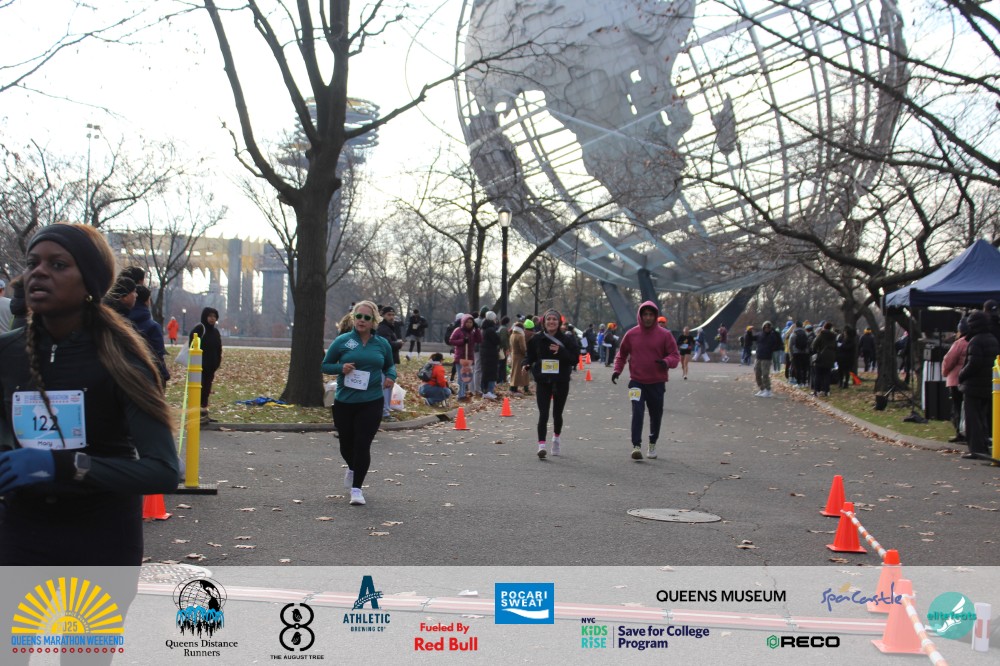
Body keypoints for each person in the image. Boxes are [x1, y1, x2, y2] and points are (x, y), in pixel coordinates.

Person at [0, 223, 180, 565]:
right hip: (21, 537)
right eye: (33, 263)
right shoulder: (6, 354)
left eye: (58, 264)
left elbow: (163, 471)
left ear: (90, 282)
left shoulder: (122, 359)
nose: (38, 272)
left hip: (102, 540)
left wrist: (64, 465)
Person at [321, 301, 396, 505]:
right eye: (359, 317)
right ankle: (353, 468)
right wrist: (341, 368)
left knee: (363, 444)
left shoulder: (382, 344)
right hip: (345, 401)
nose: (362, 321)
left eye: (366, 317)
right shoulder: (343, 341)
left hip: (372, 401)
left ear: (374, 321)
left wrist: (391, 377)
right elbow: (325, 365)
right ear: (353, 318)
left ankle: (357, 489)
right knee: (346, 445)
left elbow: (390, 366)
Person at [611, 301, 680, 460]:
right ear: (640, 316)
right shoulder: (631, 334)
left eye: (651, 314)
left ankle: (652, 442)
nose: (648, 318)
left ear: (655, 316)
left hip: (657, 382)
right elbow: (621, 355)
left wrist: (666, 362)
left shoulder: (665, 335)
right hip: (637, 381)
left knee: (656, 415)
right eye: (645, 314)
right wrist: (617, 370)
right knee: (637, 411)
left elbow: (675, 356)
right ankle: (636, 445)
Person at [523, 308, 580, 459]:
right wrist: (526, 364)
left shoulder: (567, 339)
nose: (551, 322)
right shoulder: (536, 339)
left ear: (559, 322)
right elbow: (529, 356)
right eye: (548, 319)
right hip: (543, 380)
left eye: (554, 319)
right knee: (543, 413)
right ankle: (541, 445)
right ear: (544, 322)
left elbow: (575, 359)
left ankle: (556, 439)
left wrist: (561, 351)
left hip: (561, 380)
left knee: (557, 414)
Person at [958, 310, 999, 459]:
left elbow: (974, 363)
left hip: (974, 385)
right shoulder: (992, 339)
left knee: (972, 418)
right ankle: (983, 445)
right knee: (982, 417)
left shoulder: (975, 341)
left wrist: (961, 375)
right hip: (988, 384)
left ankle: (976, 449)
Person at [129, 285, 170, 388]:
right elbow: (157, 355)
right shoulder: (153, 327)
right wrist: (164, 375)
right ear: (147, 301)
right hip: (147, 376)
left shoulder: (120, 322)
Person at [189, 307, 222, 420]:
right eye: (210, 316)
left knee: (206, 392)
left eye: (214, 316)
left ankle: (203, 414)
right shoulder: (199, 329)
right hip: (199, 367)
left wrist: (217, 363)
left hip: (211, 368)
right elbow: (191, 345)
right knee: (198, 391)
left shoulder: (216, 332)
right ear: (205, 316)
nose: (212, 319)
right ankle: (195, 415)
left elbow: (218, 349)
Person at [941, 319, 969, 444]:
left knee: (957, 407)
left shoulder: (959, 343)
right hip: (969, 380)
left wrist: (945, 372)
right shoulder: (973, 341)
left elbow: (949, 360)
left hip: (956, 379)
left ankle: (960, 432)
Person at [376, 306, 404, 421]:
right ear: (383, 315)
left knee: (388, 386)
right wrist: (399, 344)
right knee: (386, 386)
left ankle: (385, 409)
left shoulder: (390, 327)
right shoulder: (383, 329)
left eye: (393, 315)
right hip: (385, 363)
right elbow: (387, 345)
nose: (391, 317)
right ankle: (385, 412)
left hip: (389, 361)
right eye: (389, 315)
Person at [448, 314, 482, 401]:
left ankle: (463, 393)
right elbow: (451, 340)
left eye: (471, 322)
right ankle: (460, 395)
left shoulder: (472, 332)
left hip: (468, 357)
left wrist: (477, 329)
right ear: (463, 322)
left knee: (466, 377)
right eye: (467, 322)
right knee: (461, 376)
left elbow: (479, 339)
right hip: (460, 356)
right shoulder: (458, 330)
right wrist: (462, 341)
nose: (469, 324)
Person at [753, 321, 782, 397]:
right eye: (765, 327)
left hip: (766, 358)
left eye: (768, 327)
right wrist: (748, 333)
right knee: (757, 374)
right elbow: (751, 338)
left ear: (770, 328)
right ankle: (762, 389)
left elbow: (779, 343)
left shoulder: (773, 336)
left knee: (765, 374)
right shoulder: (759, 334)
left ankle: (768, 390)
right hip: (759, 357)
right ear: (763, 327)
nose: (767, 328)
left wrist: (776, 333)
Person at [811, 322, 837, 397]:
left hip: (821, 357)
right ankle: (827, 391)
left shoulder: (821, 335)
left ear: (824, 327)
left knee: (818, 375)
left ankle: (817, 391)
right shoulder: (833, 336)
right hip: (830, 357)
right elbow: (835, 347)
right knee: (827, 375)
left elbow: (814, 345)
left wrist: (816, 352)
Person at [479, 311, 501, 399]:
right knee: (492, 373)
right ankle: (490, 391)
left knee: (485, 372)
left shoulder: (483, 329)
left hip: (484, 352)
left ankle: (484, 390)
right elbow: (497, 340)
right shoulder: (491, 330)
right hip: (491, 353)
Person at [508, 318, 530, 395]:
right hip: (520, 356)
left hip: (514, 355)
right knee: (522, 372)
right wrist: (526, 353)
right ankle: (520, 388)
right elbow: (523, 347)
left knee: (514, 372)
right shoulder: (520, 336)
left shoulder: (512, 335)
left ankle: (512, 387)